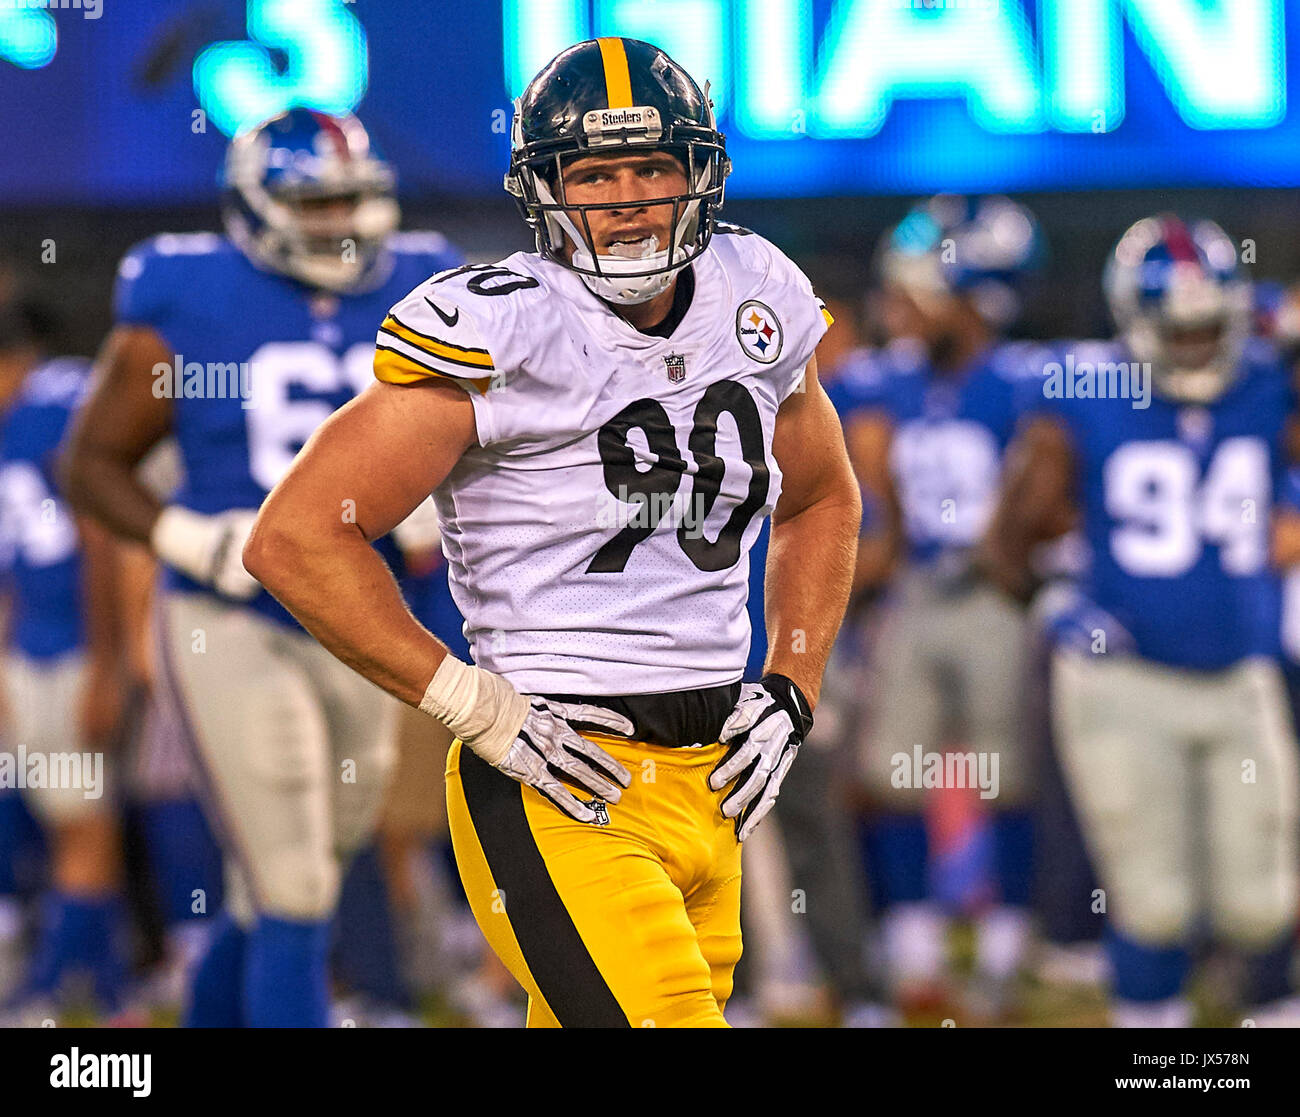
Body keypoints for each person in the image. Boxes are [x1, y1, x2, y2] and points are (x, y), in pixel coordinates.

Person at [243, 37, 861, 1028]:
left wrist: (793, 683)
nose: (625, 197)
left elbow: (823, 496)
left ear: (698, 173)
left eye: (651, 167)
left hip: (716, 777)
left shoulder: (759, 293)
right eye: (593, 173)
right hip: (561, 772)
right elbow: (298, 536)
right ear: (545, 189)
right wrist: (468, 702)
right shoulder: (504, 325)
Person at [60, 109, 463, 1027]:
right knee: (293, 882)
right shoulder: (187, 294)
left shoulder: (427, 284)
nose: (340, 224)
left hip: (362, 610)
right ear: (253, 208)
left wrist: (437, 501)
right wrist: (191, 540)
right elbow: (91, 464)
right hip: (228, 613)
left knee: (311, 863)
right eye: (313, 203)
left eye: (352, 201)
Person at [984, 214, 1300, 1027]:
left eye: (1210, 326)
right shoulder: (1086, 390)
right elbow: (1006, 542)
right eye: (1179, 328)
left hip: (1241, 672)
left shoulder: (1267, 380)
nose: (1197, 345)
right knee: (1152, 902)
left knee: (1264, 902)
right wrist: (1057, 605)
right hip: (1121, 678)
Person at [843, 197, 1045, 1018]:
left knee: (1009, 775)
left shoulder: (1021, 382)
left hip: (994, 596)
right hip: (914, 592)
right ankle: (914, 943)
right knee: (894, 775)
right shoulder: (879, 382)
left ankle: (1007, 945)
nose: (900, 310)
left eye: (918, 292)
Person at [0, 299, 134, 1024]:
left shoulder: (56, 401)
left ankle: (51, 991)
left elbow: (100, 539)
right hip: (37, 650)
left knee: (84, 826)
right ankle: (110, 990)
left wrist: (106, 663)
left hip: (78, 648)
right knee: (71, 823)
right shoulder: (19, 415)